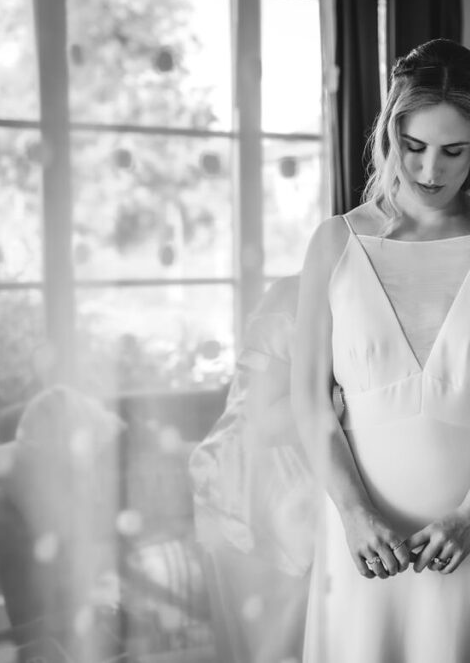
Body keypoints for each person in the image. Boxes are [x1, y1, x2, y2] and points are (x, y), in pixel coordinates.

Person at [291, 39, 470, 663]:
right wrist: (354, 513)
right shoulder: (335, 242)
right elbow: (309, 400)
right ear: (389, 138)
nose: (431, 171)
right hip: (363, 528)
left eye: (453, 151)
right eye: (415, 147)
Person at [189, 275, 315, 663]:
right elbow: (264, 422)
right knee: (268, 647)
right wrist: (351, 398)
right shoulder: (291, 300)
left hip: (289, 493)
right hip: (248, 494)